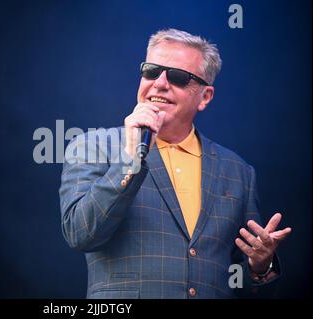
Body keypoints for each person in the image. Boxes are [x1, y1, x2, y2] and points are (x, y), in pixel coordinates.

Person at [59, 28, 291, 299]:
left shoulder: (238, 172)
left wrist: (259, 266)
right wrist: (130, 159)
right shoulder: (93, 146)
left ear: (205, 97)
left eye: (178, 77)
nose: (159, 83)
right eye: (151, 71)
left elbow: (237, 279)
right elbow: (80, 234)